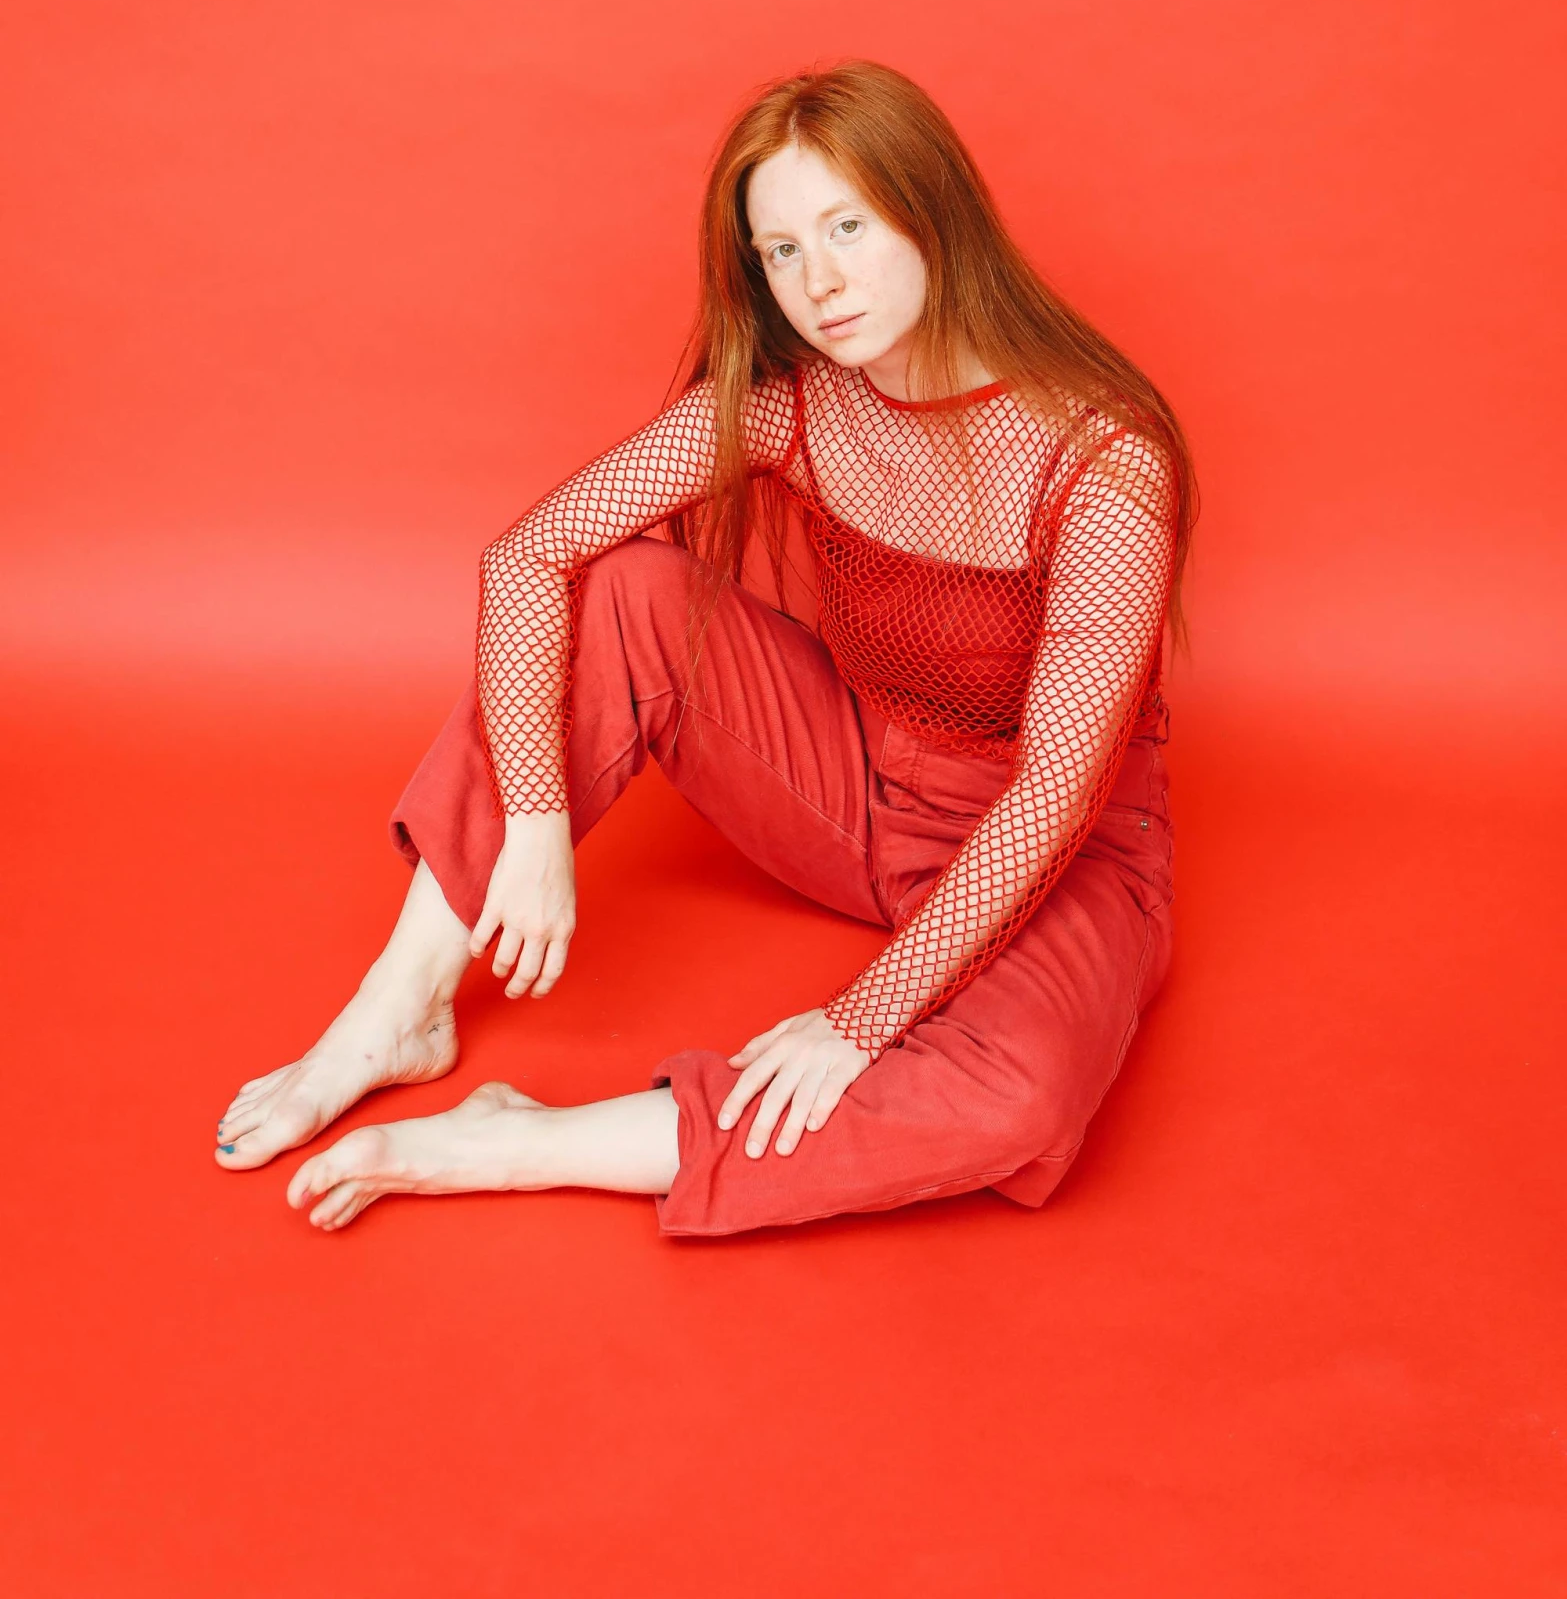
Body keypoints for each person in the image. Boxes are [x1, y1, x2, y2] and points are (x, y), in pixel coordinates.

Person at [215, 60, 1196, 1237]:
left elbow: (1050, 792)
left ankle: (520, 1142)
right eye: (781, 251)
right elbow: (530, 557)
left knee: (1023, 1099)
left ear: (932, 211)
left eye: (846, 226)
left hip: (1064, 857)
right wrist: (535, 823)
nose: (818, 281)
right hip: (861, 796)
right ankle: (400, 1003)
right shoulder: (795, 402)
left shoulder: (1105, 460)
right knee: (623, 588)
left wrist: (857, 1018)